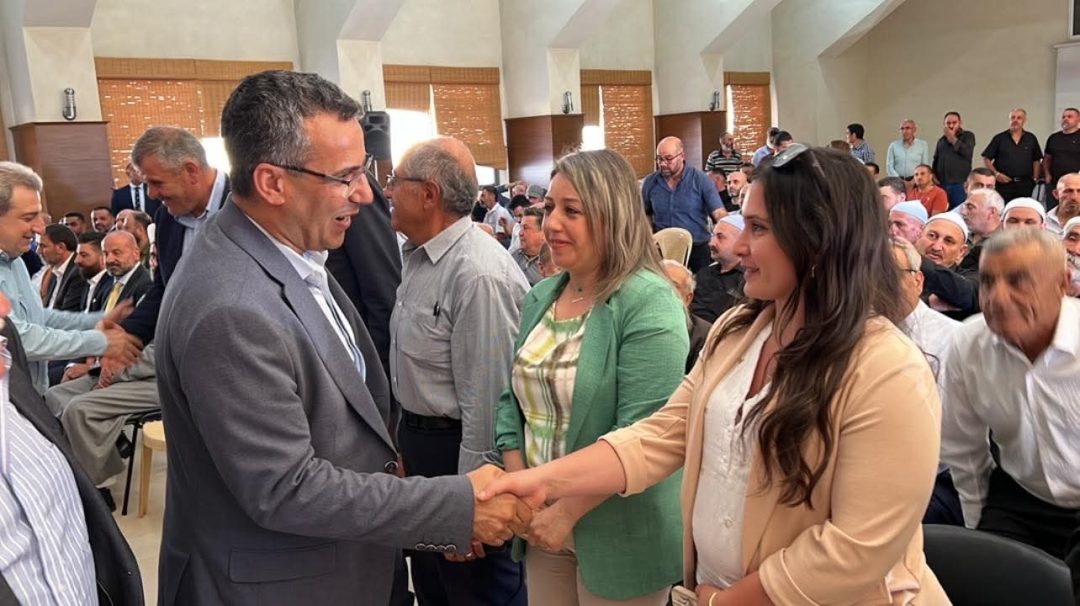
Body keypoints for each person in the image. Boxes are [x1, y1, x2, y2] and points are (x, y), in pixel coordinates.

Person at [482, 145, 948, 605]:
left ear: (819, 239)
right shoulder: (738, 331)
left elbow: (854, 548)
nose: (739, 246)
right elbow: (661, 434)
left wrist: (723, 602)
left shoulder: (888, 370)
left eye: (759, 229)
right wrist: (541, 481)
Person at [155, 70, 531, 606]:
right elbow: (285, 487)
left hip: (349, 562)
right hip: (285, 585)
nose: (366, 192)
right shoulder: (231, 305)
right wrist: (456, 506)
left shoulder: (294, 254)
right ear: (273, 183)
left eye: (366, 171)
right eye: (346, 176)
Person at [495, 149, 685, 605]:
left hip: (620, 527)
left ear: (611, 216)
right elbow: (510, 403)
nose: (552, 224)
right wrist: (524, 491)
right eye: (549, 208)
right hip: (541, 519)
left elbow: (643, 434)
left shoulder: (649, 301)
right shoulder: (541, 296)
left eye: (572, 211)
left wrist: (565, 510)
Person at [388, 136, 530, 605]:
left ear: (428, 194)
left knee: (475, 592)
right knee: (433, 589)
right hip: (425, 451)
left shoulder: (478, 273)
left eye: (395, 181)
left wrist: (471, 506)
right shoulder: (419, 257)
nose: (387, 191)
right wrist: (404, 445)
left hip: (461, 460)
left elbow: (487, 399)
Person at [941, 228, 1080, 560]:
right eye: (987, 282)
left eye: (1019, 281)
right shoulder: (969, 343)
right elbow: (963, 448)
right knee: (987, 574)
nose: (997, 298)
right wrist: (978, 528)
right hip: (1018, 498)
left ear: (1062, 284)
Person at [0, 291, 143, 605]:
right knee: (66, 401)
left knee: (78, 408)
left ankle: (102, 470)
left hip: (129, 372)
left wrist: (98, 339)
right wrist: (97, 345)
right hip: (100, 362)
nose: (4, 305)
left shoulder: (8, 356)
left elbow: (37, 321)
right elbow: (28, 333)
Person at [0, 162, 141, 394]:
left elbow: (37, 317)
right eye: (28, 218)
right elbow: (18, 338)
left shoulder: (14, 260)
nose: (39, 228)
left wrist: (98, 320)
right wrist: (100, 341)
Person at [890, 237, 963, 526]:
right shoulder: (852, 331)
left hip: (934, 480)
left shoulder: (952, 339)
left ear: (918, 280)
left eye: (889, 274)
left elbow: (948, 436)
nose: (876, 284)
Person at [642, 137, 726, 272]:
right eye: (659, 159)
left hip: (697, 248)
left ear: (682, 156)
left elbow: (719, 213)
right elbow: (645, 213)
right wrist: (649, 236)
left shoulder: (700, 180)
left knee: (701, 284)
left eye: (668, 159)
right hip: (662, 249)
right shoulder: (650, 182)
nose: (662, 164)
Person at [982, 108, 1044, 202]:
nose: (1015, 120)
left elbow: (1036, 160)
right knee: (1002, 208)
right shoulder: (999, 138)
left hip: (1025, 185)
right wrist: (996, 174)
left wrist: (1035, 179)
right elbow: (986, 158)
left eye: (1019, 118)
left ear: (1024, 120)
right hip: (1003, 185)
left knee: (1022, 208)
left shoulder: (1031, 138)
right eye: (1013, 117)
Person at [691, 214, 744, 323]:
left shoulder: (748, 282)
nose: (711, 243)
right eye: (712, 236)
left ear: (741, 242)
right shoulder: (704, 273)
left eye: (720, 237)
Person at [663, 259, 713, 373]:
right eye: (659, 282)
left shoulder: (704, 334)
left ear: (688, 298)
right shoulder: (632, 321)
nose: (663, 289)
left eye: (673, 286)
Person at [932, 111, 977, 208]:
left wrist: (952, 137)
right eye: (948, 123)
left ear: (960, 123)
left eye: (954, 123)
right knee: (943, 211)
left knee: (960, 211)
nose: (951, 126)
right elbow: (936, 159)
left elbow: (967, 152)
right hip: (942, 184)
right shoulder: (941, 140)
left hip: (959, 184)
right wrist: (933, 175)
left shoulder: (968, 136)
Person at [1043, 108, 1080, 209]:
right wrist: (1047, 174)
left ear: (1078, 119)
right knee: (1053, 210)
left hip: (1076, 185)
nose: (1065, 119)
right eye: (1064, 117)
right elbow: (1047, 158)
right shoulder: (1054, 138)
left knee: (1074, 211)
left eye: (1069, 117)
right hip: (1054, 183)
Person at [511, 206, 545, 286]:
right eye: (520, 228)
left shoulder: (553, 263)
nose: (520, 233)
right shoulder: (514, 257)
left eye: (526, 228)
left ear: (543, 233)